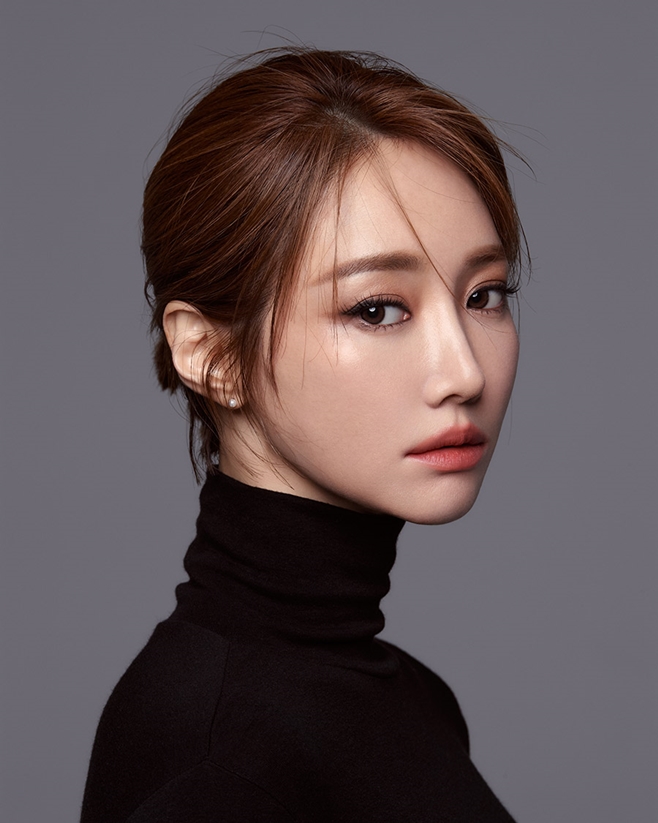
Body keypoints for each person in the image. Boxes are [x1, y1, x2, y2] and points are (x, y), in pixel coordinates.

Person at [81, 47, 525, 821]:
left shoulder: (407, 696)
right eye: (377, 308)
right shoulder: (221, 764)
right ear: (211, 354)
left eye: (484, 295)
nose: (464, 370)